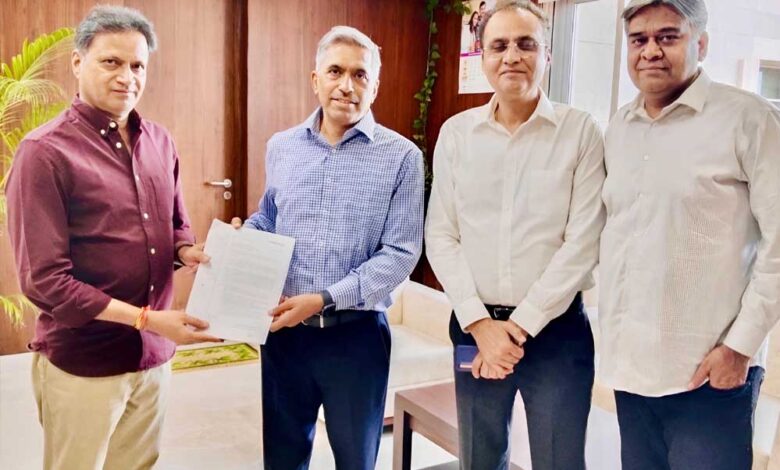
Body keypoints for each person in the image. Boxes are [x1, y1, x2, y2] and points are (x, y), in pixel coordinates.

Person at [5, 5, 220, 469]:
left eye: (138, 65)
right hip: (85, 363)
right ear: (77, 62)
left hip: (154, 358)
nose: (127, 77)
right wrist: (146, 319)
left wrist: (189, 250)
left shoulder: (160, 141)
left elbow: (176, 226)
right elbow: (45, 281)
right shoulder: (43, 153)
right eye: (111, 62)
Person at [598, 1, 780, 469]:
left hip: (710, 374)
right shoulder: (620, 126)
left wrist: (739, 347)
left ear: (702, 43)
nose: (650, 51)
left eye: (668, 36)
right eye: (638, 40)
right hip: (633, 373)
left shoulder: (748, 119)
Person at [425, 1, 605, 469]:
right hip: (475, 326)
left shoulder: (580, 132)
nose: (512, 56)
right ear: (482, 56)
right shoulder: (457, 134)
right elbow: (441, 234)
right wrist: (480, 325)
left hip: (556, 333)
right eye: (499, 45)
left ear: (547, 55)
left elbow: (583, 242)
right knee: (479, 459)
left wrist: (519, 327)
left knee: (559, 460)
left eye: (526, 44)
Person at [234, 25, 424, 470]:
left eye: (360, 75)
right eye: (335, 71)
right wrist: (242, 239)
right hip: (284, 335)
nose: (346, 85)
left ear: (375, 87)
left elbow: (400, 254)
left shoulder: (402, 157)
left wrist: (323, 298)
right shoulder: (281, 146)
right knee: (282, 458)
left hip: (356, 338)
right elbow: (269, 218)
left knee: (356, 460)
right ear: (315, 79)